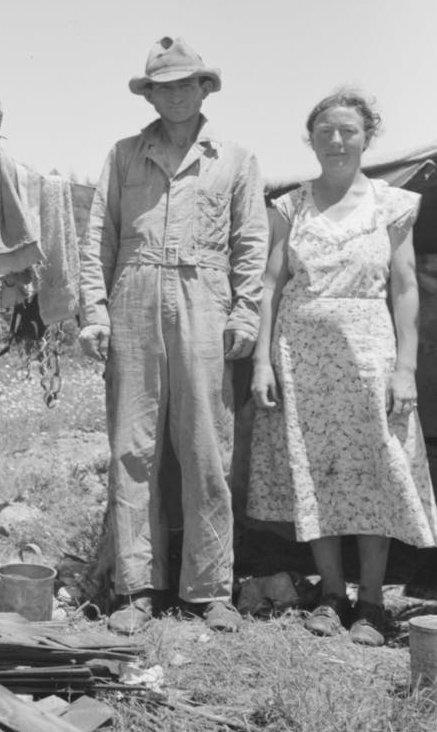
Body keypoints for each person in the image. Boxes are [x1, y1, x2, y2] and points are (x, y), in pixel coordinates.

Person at [80, 36, 268, 635]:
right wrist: (95, 312)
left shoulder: (235, 159)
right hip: (133, 297)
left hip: (205, 303)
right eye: (165, 86)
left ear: (204, 88)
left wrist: (245, 313)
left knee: (206, 447)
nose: (177, 94)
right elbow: (97, 240)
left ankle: (210, 589)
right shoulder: (124, 154)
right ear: (151, 94)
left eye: (188, 84)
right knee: (133, 449)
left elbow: (251, 244)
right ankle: (136, 586)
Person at [247, 90, 437, 647]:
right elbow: (270, 285)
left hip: (369, 354)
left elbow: (405, 288)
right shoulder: (289, 206)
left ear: (367, 137)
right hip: (301, 355)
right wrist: (262, 360)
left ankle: (373, 603)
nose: (336, 141)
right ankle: (332, 595)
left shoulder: (394, 205)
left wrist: (406, 368)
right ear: (310, 139)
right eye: (325, 131)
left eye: (348, 131)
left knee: (376, 468)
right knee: (317, 471)